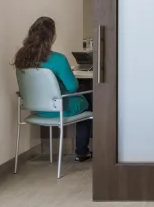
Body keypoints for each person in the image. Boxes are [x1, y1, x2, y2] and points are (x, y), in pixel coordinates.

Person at [12, 16, 93, 162]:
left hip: (36, 109)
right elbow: (72, 87)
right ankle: (82, 152)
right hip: (59, 109)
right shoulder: (58, 59)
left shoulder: (21, 57)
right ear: (51, 37)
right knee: (87, 98)